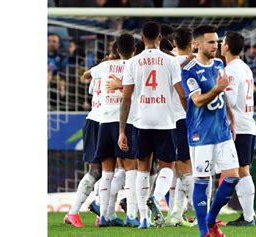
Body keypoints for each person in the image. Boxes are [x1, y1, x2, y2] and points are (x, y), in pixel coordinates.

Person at [118, 21, 187, 229]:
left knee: (143, 170)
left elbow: (126, 98)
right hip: (166, 120)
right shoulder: (171, 61)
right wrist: (189, 114)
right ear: (159, 38)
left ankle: (144, 219)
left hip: (141, 121)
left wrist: (122, 130)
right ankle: (156, 196)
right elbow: (181, 92)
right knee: (168, 166)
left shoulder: (132, 62)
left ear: (142, 38)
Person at [181, 25, 240, 237]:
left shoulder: (218, 64)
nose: (216, 46)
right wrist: (216, 89)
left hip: (222, 132)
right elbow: (197, 101)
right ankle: (204, 231)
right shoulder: (189, 70)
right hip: (201, 135)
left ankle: (211, 219)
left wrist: (232, 120)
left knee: (233, 177)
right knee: (203, 181)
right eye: (211, 42)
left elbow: (223, 98)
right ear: (196, 44)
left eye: (217, 42)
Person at [86, 33, 136, 227]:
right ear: (134, 49)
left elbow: (85, 75)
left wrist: (103, 68)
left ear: (115, 50)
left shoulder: (105, 66)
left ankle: (105, 216)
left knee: (107, 171)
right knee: (129, 168)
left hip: (104, 122)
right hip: (125, 120)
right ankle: (131, 215)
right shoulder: (134, 65)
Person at [63, 43, 104, 228]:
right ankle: (74, 212)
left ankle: (102, 212)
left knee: (108, 172)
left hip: (98, 121)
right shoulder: (123, 69)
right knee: (100, 171)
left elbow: (89, 87)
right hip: (100, 123)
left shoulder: (98, 71)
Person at [220, 31, 256, 227]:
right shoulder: (245, 68)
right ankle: (249, 215)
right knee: (243, 170)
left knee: (241, 170)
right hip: (247, 123)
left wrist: (215, 91)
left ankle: (249, 217)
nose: (220, 44)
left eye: (222, 42)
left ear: (226, 47)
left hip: (239, 126)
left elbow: (231, 100)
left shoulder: (231, 70)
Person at [165, 27, 196, 227]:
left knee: (178, 167)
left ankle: (176, 212)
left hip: (171, 119)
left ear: (174, 43)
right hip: (189, 118)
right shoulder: (196, 62)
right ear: (192, 42)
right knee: (187, 167)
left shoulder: (168, 63)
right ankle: (199, 210)